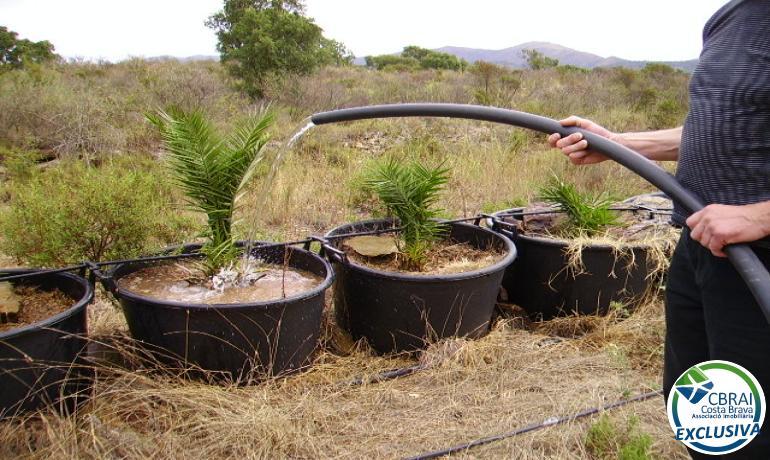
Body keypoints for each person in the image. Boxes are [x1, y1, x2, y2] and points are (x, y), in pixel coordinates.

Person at [547, 1, 770, 458]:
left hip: (761, 260)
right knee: (702, 408)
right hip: (702, 245)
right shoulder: (733, 16)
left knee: (753, 429)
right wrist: (620, 144)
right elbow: (724, 126)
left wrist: (760, 215)